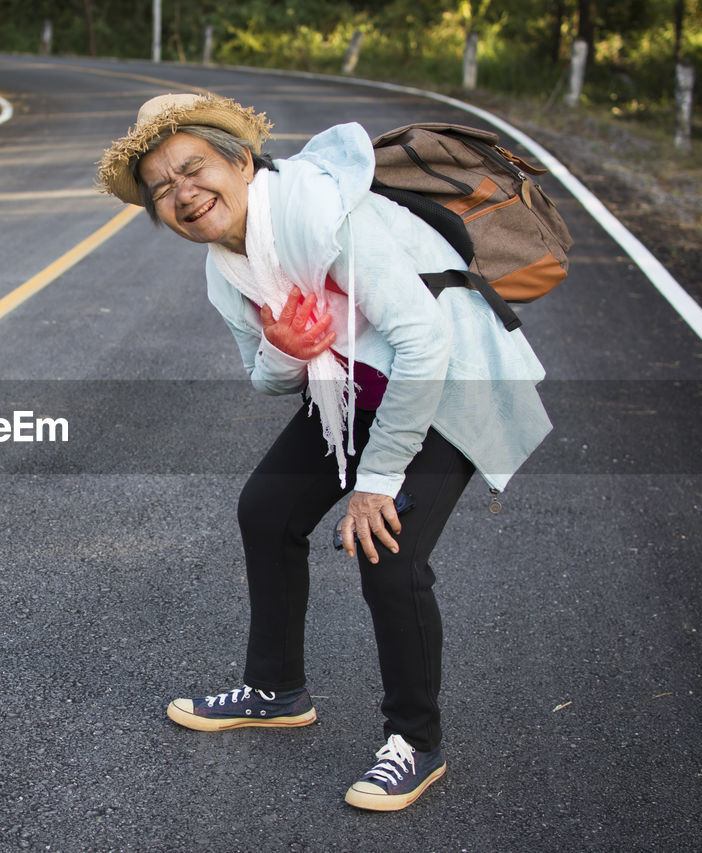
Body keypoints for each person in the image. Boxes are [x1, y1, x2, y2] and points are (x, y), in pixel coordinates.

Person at [96, 93, 551, 811]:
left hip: (447, 379)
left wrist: (376, 482)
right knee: (267, 510)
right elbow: (264, 375)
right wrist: (287, 348)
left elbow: (426, 342)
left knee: (389, 549)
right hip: (353, 383)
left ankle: (415, 742)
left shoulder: (322, 212)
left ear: (240, 160)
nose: (182, 194)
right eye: (161, 188)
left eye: (193, 168)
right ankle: (276, 688)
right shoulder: (227, 268)